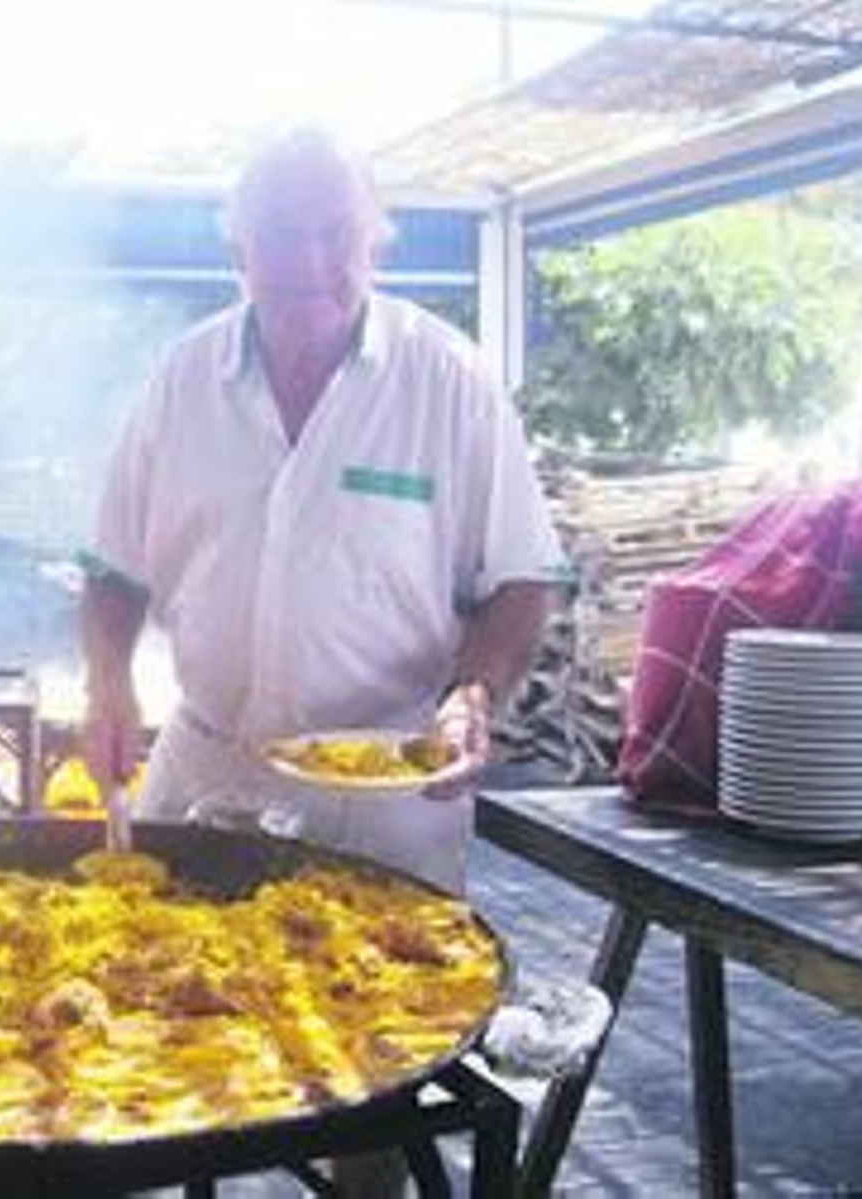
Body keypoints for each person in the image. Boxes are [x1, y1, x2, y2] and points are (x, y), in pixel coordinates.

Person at [78, 126, 566, 1195]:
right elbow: (112, 567)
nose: (306, 258)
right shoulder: (182, 379)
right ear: (236, 245)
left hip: (384, 792)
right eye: (277, 232)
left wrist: (471, 693)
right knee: (143, 1034)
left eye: (333, 231)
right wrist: (107, 678)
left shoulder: (447, 379)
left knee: (366, 1079)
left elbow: (522, 579)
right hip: (204, 772)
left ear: (377, 238)